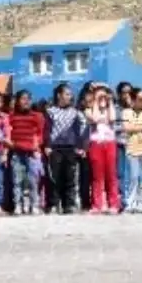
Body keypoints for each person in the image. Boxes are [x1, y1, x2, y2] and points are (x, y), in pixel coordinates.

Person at [44, 83, 86, 215]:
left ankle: (69, 204)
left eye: (70, 94)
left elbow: (79, 131)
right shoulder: (51, 112)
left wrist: (80, 147)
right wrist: (47, 145)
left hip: (70, 148)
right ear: (59, 95)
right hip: (55, 148)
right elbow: (47, 130)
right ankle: (54, 203)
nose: (70, 96)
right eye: (67, 94)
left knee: (70, 177)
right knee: (54, 178)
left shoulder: (75, 113)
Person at [8, 91, 44, 216]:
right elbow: (8, 133)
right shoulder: (11, 116)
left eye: (28, 98)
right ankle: (18, 206)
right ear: (17, 101)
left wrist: (36, 144)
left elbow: (40, 134)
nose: (26, 101)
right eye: (23, 99)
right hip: (17, 153)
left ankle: (34, 206)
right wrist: (10, 144)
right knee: (17, 181)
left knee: (33, 181)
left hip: (32, 154)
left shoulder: (37, 116)